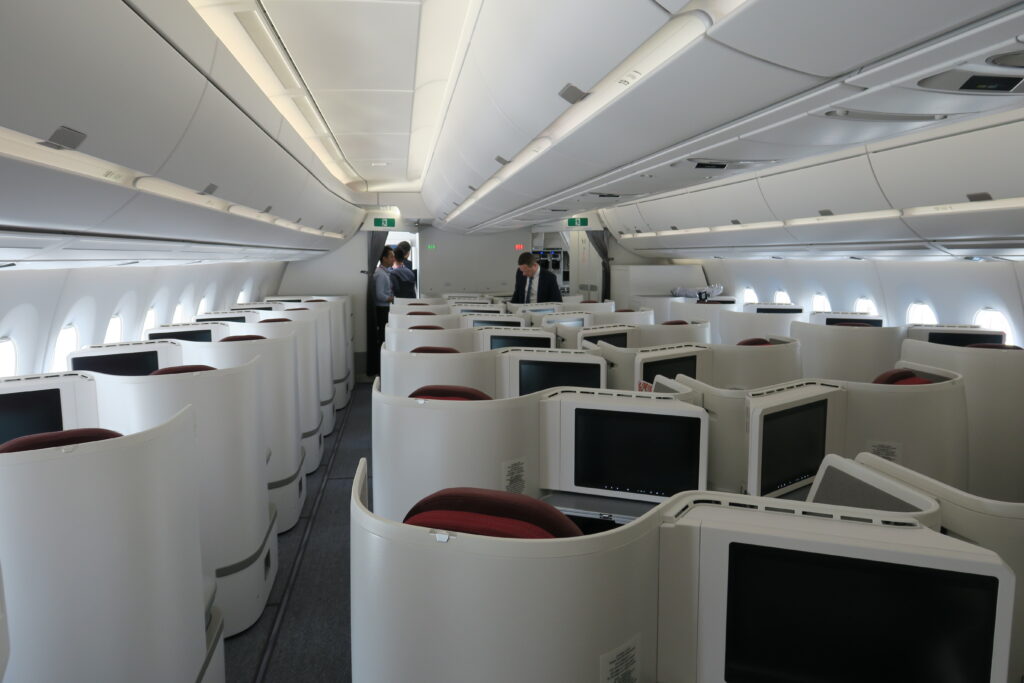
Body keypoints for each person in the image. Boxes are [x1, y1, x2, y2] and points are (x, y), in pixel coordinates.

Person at [374, 246, 395, 348]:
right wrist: (394, 299)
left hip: (385, 308)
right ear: (384, 258)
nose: (393, 259)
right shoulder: (381, 274)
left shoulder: (384, 272)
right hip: (382, 309)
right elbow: (380, 295)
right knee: (383, 335)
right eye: (391, 257)